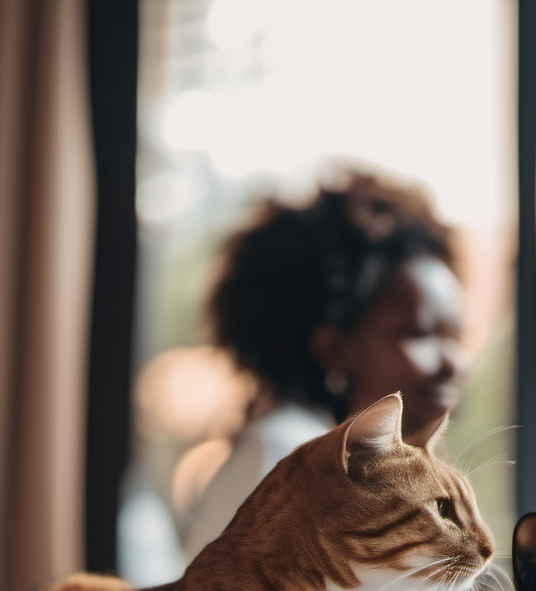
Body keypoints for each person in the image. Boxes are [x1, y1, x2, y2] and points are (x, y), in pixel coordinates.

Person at [183, 172, 466, 559]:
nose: (453, 364)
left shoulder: (352, 466)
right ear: (333, 347)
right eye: (420, 334)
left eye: (458, 337)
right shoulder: (285, 456)